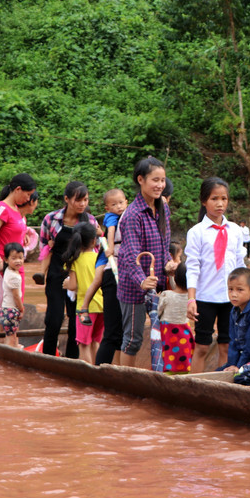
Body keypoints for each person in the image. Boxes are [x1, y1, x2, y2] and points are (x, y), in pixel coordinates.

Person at [117, 157, 177, 367]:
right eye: (155, 180)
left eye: (162, 180)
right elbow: (130, 254)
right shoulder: (133, 215)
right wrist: (142, 281)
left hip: (157, 284)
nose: (160, 185)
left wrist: (169, 263)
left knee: (165, 334)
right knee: (132, 340)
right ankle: (126, 381)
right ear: (141, 180)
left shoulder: (163, 209)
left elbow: (164, 245)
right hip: (134, 288)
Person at [185, 177, 246, 373]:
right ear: (204, 201)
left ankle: (221, 384)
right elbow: (193, 267)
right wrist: (191, 299)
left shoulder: (235, 230)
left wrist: (245, 295)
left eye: (224, 199)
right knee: (202, 346)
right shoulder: (197, 232)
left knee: (226, 345)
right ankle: (195, 385)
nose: (220, 204)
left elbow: (240, 264)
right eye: (214, 199)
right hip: (205, 297)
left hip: (231, 298)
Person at [38, 181, 99, 358]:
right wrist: (42, 272)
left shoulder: (90, 221)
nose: (82, 204)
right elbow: (45, 248)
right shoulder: (51, 219)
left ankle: (72, 361)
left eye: (85, 200)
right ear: (66, 199)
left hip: (79, 275)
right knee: (54, 318)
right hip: (56, 272)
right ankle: (48, 358)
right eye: (78, 200)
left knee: (76, 320)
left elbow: (94, 252)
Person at [0, 174, 37, 329]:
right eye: (27, 194)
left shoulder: (16, 209)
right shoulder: (2, 208)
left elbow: (13, 230)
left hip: (17, 265)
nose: (28, 199)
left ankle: (9, 339)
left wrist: (24, 235)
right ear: (18, 189)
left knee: (16, 306)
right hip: (3, 265)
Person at [88, 190, 127, 366]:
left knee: (120, 333)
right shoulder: (112, 219)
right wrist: (110, 247)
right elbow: (110, 233)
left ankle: (116, 370)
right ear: (107, 208)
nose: (119, 207)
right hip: (113, 273)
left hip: (123, 273)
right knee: (113, 333)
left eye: (121, 203)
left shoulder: (128, 216)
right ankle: (98, 372)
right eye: (114, 204)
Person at [61, 223, 105, 364]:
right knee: (95, 342)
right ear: (94, 241)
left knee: (84, 344)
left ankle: (88, 373)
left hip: (85, 308)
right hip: (102, 306)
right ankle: (98, 371)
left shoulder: (75, 260)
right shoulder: (99, 258)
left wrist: (66, 284)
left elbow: (73, 285)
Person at [156, 261, 194, 374]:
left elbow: (159, 311)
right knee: (183, 353)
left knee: (168, 354)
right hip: (184, 331)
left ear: (175, 277)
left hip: (168, 331)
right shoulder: (191, 299)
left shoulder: (166, 295)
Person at [0, 242, 26, 348]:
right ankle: (10, 352)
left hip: (5, 309)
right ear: (6, 260)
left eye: (20, 258)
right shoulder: (14, 277)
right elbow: (16, 296)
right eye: (14, 258)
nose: (18, 261)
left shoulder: (8, 271)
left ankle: (13, 348)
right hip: (11, 311)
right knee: (11, 338)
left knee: (11, 335)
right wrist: (21, 309)